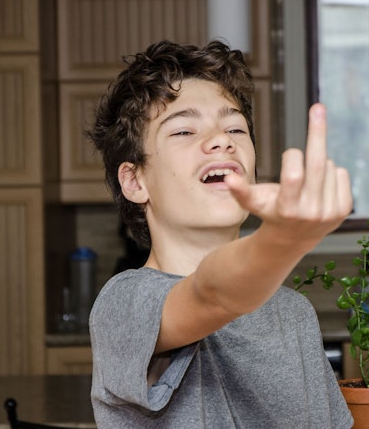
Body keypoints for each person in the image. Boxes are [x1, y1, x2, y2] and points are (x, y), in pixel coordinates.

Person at [86, 40, 353, 428]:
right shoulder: (122, 305)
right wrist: (282, 240)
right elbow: (210, 293)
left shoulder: (293, 314)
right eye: (183, 130)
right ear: (135, 181)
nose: (223, 140)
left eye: (235, 128)